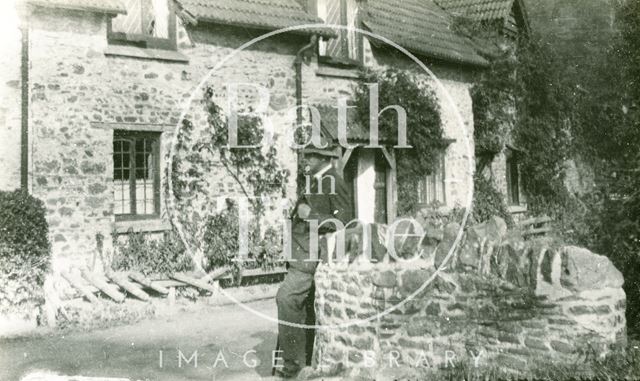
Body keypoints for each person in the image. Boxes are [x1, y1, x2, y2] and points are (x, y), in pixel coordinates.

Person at [275, 152, 353, 378]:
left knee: (286, 298)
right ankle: (303, 364)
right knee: (303, 309)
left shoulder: (334, 180)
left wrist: (311, 215)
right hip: (300, 254)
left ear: (324, 157)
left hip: (310, 258)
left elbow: (345, 222)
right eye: (304, 155)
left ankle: (293, 368)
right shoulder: (316, 179)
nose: (305, 160)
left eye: (310, 156)